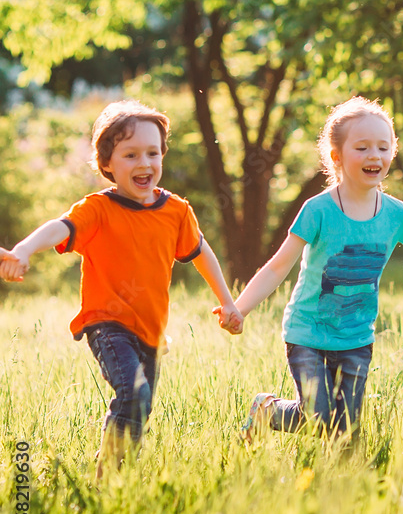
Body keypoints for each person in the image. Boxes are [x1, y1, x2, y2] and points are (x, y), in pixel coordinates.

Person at [0, 99, 242, 476]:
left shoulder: (176, 211)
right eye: (131, 154)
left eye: (152, 153)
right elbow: (60, 227)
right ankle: (105, 478)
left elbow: (201, 253)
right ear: (107, 163)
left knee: (140, 408)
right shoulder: (98, 209)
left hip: (151, 331)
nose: (145, 163)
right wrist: (24, 248)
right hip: (107, 323)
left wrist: (228, 303)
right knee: (135, 393)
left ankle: (117, 478)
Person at [233, 96, 403, 443]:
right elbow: (277, 267)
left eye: (383, 146)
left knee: (343, 430)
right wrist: (240, 309)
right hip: (308, 333)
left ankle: (340, 483)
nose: (374, 155)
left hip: (356, 338)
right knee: (317, 417)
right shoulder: (317, 210)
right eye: (362, 148)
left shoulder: (395, 214)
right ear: (337, 157)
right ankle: (268, 409)